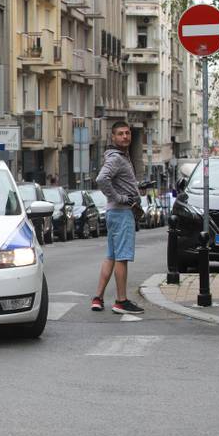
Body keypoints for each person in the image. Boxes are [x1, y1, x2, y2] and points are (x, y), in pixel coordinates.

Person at [91, 121, 145, 315]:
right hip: (122, 212)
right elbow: (101, 179)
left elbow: (115, 181)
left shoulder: (121, 157)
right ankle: (121, 301)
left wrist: (134, 188)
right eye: (120, 134)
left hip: (115, 212)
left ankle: (97, 298)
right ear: (113, 137)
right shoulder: (117, 159)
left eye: (128, 133)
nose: (125, 137)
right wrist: (119, 197)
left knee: (111, 256)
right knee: (122, 257)